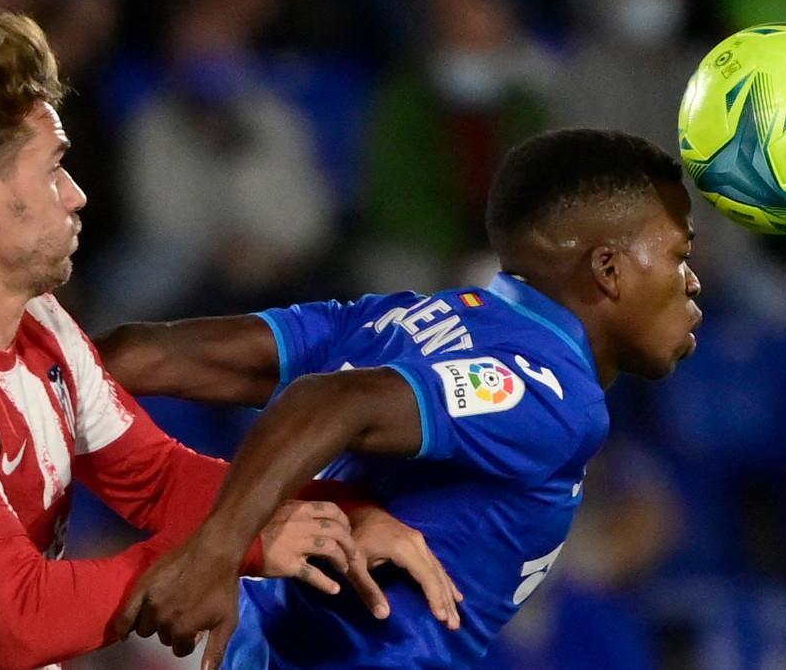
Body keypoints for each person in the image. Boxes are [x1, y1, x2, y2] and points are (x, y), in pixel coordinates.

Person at [0, 13, 456, 669]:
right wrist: (228, 553)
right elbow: (19, 621)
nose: (77, 195)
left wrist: (345, 514)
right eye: (55, 169)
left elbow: (157, 479)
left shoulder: (42, 325)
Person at [97, 127, 704, 668]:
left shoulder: (408, 316)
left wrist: (23, 367)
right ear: (609, 269)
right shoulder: (555, 395)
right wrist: (215, 552)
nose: (693, 282)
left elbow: (159, 355)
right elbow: (335, 402)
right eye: (679, 257)